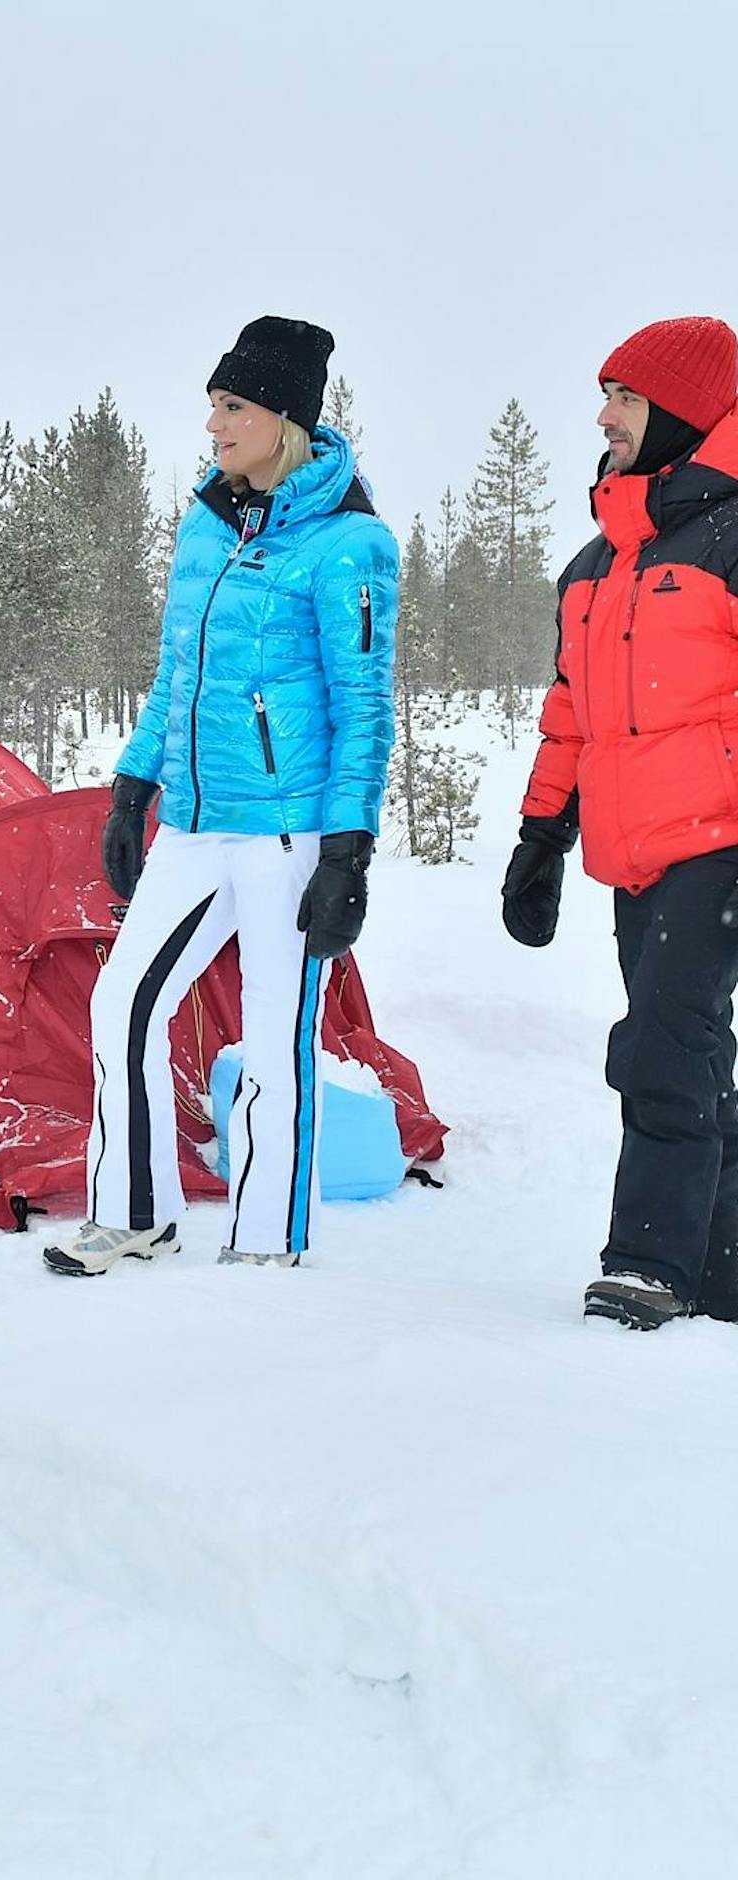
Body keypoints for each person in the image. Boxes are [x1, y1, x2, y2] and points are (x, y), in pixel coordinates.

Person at [44, 317, 397, 1277]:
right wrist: (133, 784)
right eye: (212, 404)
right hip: (196, 823)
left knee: (274, 1038)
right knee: (123, 1004)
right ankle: (132, 1213)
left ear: (281, 418)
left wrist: (349, 851)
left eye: (232, 406)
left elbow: (364, 707)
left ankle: (263, 1242)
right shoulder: (206, 525)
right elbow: (178, 674)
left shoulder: (348, 544)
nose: (213, 425)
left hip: (289, 833)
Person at [505, 316, 738, 1331]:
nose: (602, 417)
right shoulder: (593, 564)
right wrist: (538, 836)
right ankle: (721, 1265)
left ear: (681, 412)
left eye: (625, 397)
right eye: (604, 395)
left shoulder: (730, 539)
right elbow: (569, 711)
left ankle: (647, 1261)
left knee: (658, 1046)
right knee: (681, 1053)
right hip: (633, 850)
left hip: (718, 840)